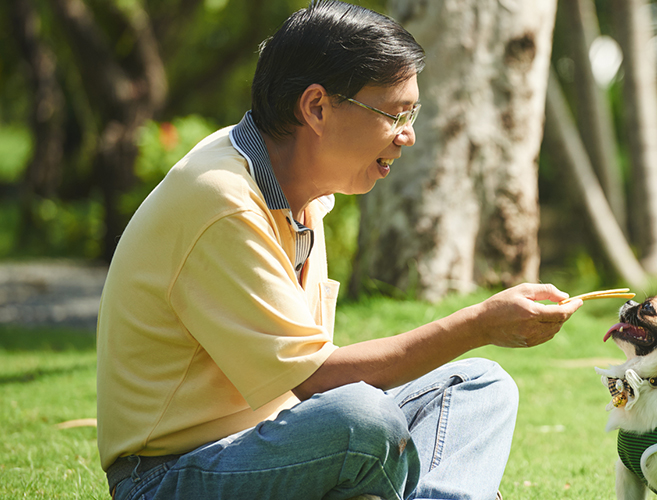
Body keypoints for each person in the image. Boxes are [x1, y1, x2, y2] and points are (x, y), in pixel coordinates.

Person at [94, 1, 583, 498]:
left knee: (479, 385)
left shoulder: (302, 192)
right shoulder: (224, 202)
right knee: (359, 421)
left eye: (412, 113)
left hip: (281, 439)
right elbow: (316, 380)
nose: (408, 135)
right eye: (394, 114)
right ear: (317, 107)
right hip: (166, 477)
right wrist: (478, 324)